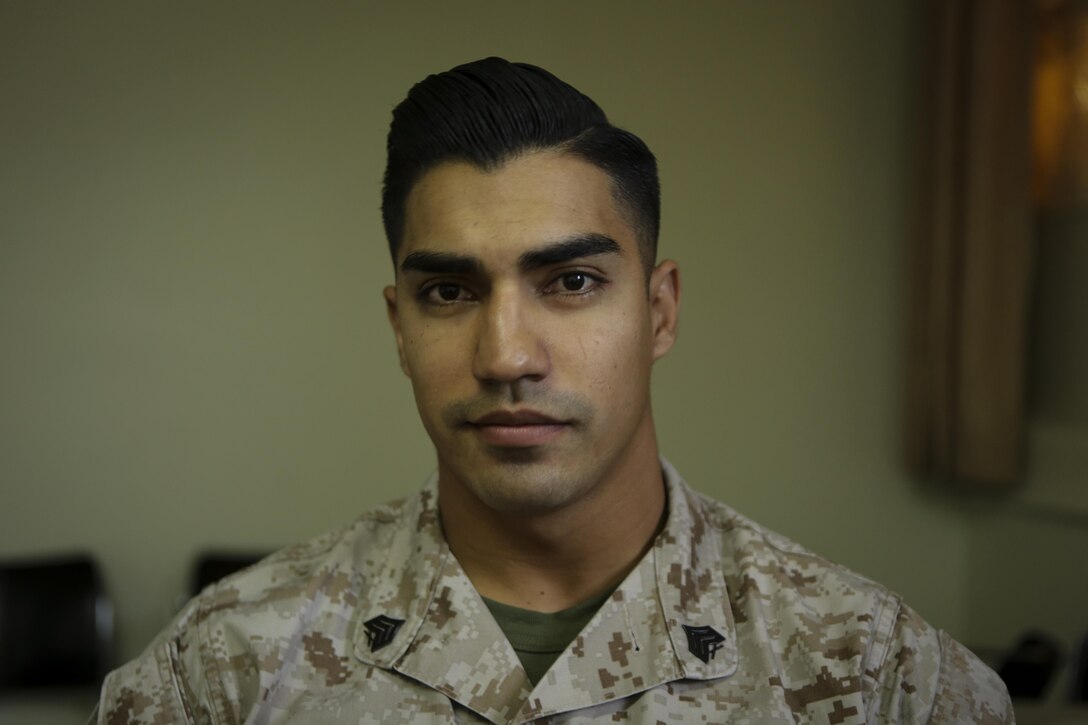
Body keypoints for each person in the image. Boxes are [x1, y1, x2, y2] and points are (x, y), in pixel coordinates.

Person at [96, 57, 1013, 724]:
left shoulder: (877, 675)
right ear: (399, 329)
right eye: (448, 292)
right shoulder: (222, 671)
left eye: (571, 282)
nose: (505, 355)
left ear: (659, 312)